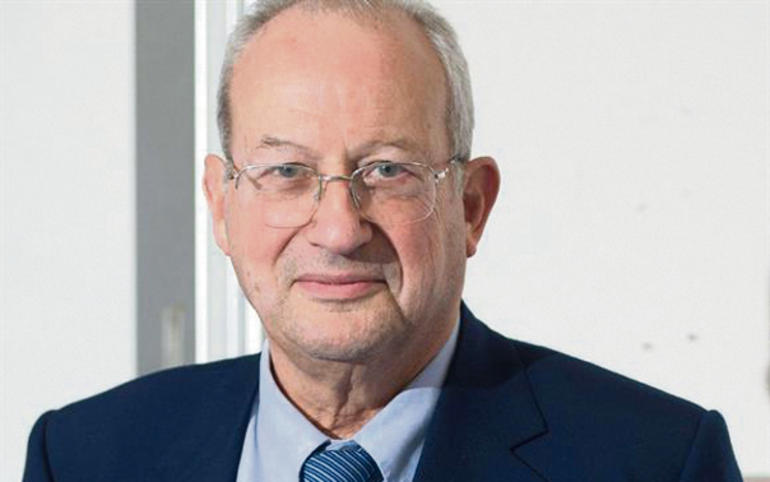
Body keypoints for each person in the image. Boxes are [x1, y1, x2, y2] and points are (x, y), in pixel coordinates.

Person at [23, 1, 742, 481]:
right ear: (221, 205)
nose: (338, 229)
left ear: (471, 206)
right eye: (286, 172)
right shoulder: (85, 457)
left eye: (388, 170)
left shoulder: (654, 460)